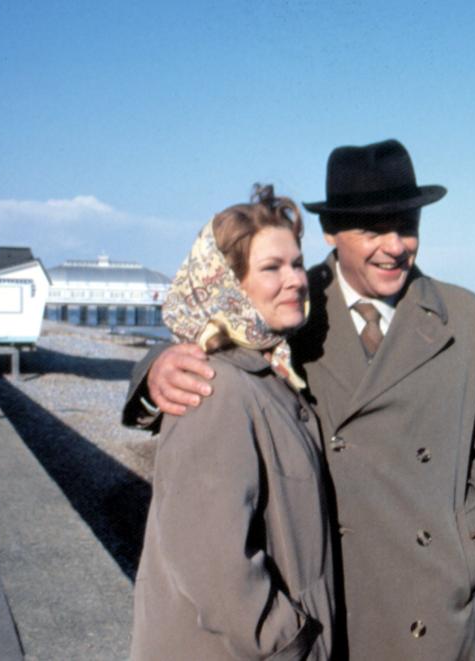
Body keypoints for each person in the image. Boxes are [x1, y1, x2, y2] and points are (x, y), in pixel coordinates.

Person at [125, 140, 475, 660]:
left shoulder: (468, 320)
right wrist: (154, 370)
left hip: (432, 608)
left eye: (406, 226)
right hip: (326, 611)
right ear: (332, 233)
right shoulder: (290, 305)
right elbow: (217, 351)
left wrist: (474, 556)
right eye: (372, 230)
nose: (395, 245)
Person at [130, 185, 334, 660]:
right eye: (271, 268)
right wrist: (292, 642)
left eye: (297, 263)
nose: (296, 280)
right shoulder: (215, 387)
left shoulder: (269, 374)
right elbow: (211, 563)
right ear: (228, 284)